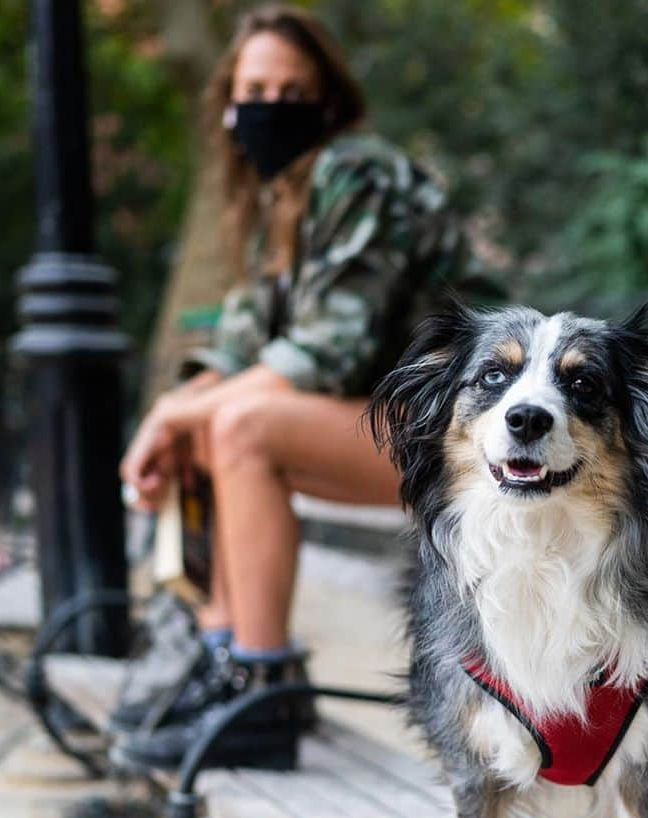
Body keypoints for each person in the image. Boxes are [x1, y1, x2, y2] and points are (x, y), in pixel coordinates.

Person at [113, 4, 495, 774]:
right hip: (386, 429)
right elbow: (241, 351)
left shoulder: (355, 171)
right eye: (255, 87)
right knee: (217, 420)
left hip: (464, 439)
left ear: (328, 100)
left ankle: (259, 687)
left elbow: (329, 346)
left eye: (292, 90)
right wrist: (172, 410)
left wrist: (185, 412)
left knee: (243, 424)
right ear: (228, 100)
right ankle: (225, 664)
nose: (270, 106)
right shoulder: (273, 205)